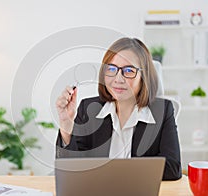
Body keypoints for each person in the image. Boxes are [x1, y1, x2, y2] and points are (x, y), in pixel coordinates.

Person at [55, 37, 182, 180]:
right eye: (111, 69)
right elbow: (69, 170)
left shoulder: (162, 111)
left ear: (144, 76)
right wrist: (66, 125)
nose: (118, 79)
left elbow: (173, 168)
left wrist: (114, 171)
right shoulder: (89, 108)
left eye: (128, 70)